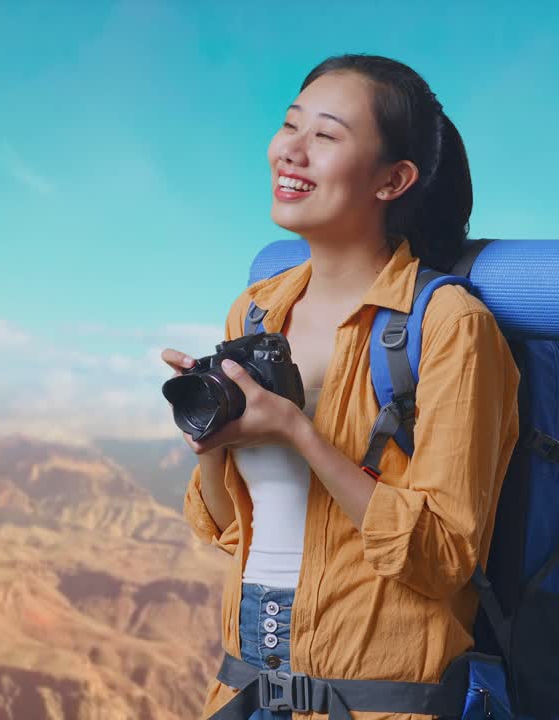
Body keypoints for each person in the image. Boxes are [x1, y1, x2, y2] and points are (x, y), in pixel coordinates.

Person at [162, 53, 520, 720]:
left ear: (393, 179)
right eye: (289, 126)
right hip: (246, 693)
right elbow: (225, 530)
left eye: (325, 137)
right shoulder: (258, 312)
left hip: (383, 702)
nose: (289, 152)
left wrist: (299, 434)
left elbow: (443, 557)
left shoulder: (448, 325)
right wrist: (211, 438)